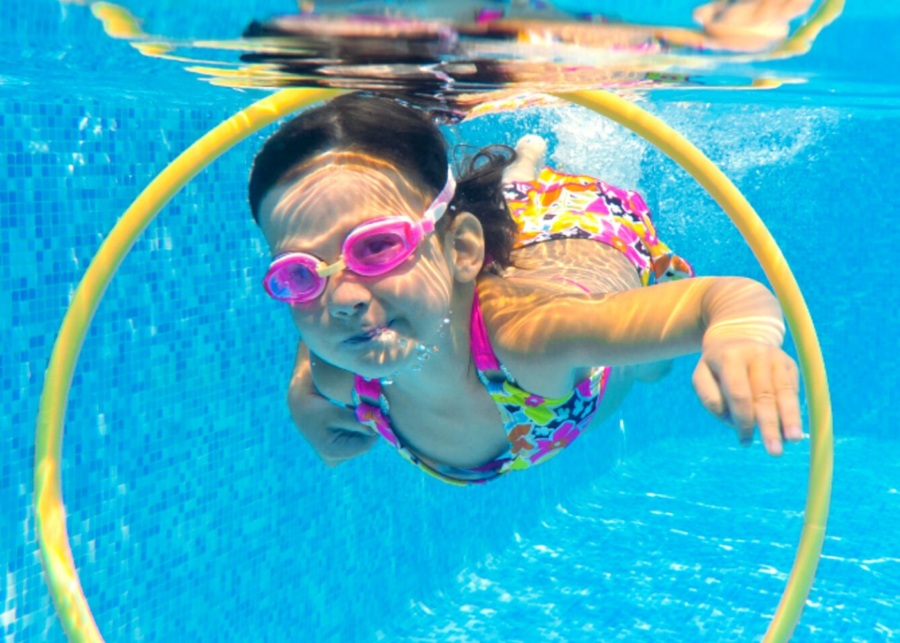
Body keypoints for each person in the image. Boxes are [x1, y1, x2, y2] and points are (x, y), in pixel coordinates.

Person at [248, 93, 802, 485]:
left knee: (652, 367)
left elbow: (721, 298)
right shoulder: (342, 368)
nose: (342, 297)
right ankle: (517, 175)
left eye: (376, 247)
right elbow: (331, 309)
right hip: (492, 243)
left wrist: (741, 335)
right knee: (501, 210)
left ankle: (530, 173)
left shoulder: (531, 338)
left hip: (589, 235)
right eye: (298, 271)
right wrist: (302, 391)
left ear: (460, 252)